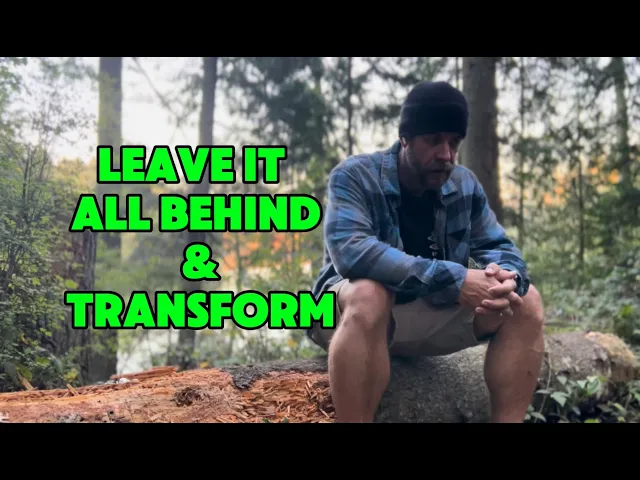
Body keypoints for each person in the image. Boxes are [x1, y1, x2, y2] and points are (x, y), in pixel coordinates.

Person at [308, 80, 545, 423]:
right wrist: (455, 279)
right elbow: (352, 252)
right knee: (370, 293)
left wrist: (507, 279)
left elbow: (498, 246)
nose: (445, 154)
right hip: (348, 316)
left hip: (428, 315)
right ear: (405, 137)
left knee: (526, 300)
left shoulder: (464, 184)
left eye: (454, 142)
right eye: (433, 140)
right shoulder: (354, 176)